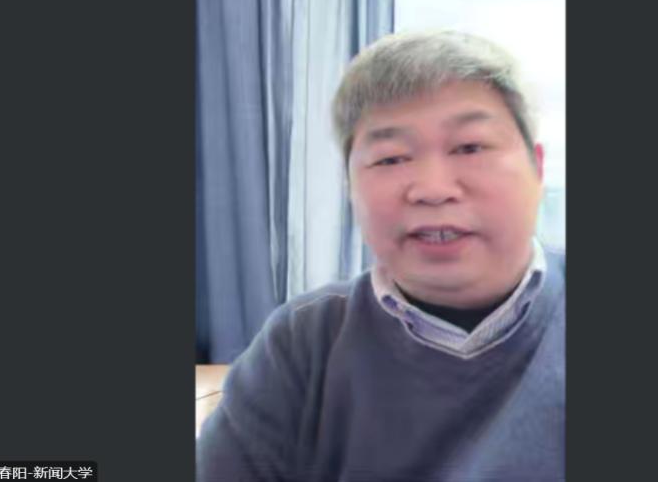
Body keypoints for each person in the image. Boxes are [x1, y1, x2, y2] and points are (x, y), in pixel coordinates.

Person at [197, 30, 565, 481]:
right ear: (350, 186)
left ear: (537, 167)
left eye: (470, 147)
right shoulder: (302, 343)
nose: (432, 189)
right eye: (390, 158)